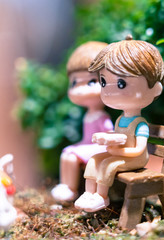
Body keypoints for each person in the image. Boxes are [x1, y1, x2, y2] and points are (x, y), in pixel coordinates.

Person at [74, 35, 164, 212]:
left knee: (108, 164)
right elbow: (119, 136)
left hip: (135, 159)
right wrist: (106, 138)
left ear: (155, 89)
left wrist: (117, 151)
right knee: (94, 159)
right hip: (120, 154)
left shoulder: (140, 125)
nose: (109, 91)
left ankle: (102, 196)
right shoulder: (119, 119)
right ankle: (89, 192)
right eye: (103, 82)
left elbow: (139, 150)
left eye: (121, 83)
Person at [51, 41, 113, 202]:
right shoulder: (88, 115)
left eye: (92, 81)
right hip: (87, 145)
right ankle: (64, 185)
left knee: (71, 156)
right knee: (67, 153)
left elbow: (109, 136)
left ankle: (70, 188)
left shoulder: (102, 116)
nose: (80, 89)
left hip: (101, 148)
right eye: (74, 83)